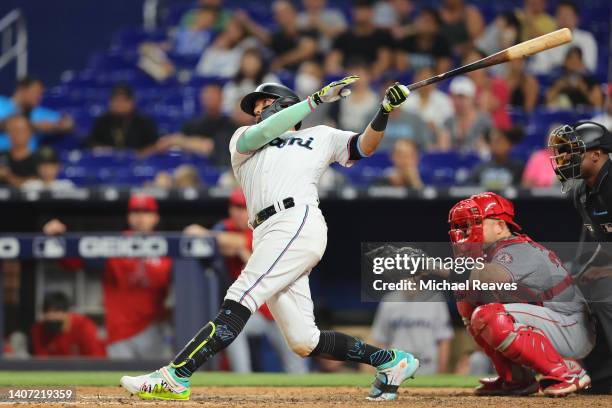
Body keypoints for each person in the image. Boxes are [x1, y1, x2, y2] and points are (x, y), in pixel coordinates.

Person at [121, 75, 420, 401]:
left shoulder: (318, 135)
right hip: (265, 231)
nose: (258, 111)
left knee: (242, 293)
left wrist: (384, 111)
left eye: (264, 104)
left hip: (297, 220)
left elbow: (363, 146)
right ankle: (390, 361)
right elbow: (263, 132)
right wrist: (316, 100)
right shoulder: (243, 139)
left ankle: (177, 374)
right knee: (304, 340)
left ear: (285, 106)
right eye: (256, 107)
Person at [432, 192, 594, 396]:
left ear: (500, 226)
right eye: (463, 226)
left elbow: (492, 277)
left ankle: (567, 373)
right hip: (553, 322)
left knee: (488, 315)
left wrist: (433, 266)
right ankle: (516, 379)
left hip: (572, 327)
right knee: (467, 297)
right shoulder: (492, 252)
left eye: (474, 223)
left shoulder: (517, 248)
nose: (466, 231)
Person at [43, 194, 173, 359]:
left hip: (153, 328)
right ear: (129, 216)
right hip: (119, 331)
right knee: (121, 382)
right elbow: (73, 261)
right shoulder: (113, 244)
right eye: (135, 212)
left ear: (155, 217)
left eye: (146, 212)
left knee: (155, 382)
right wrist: (57, 239)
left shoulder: (168, 248)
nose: (140, 217)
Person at [548, 121, 612, 393]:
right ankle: (601, 378)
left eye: (573, 151)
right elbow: (599, 244)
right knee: (571, 293)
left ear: (596, 155)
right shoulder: (582, 193)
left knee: (605, 291)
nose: (565, 158)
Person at [151, 84, 235, 166]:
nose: (210, 99)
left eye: (213, 96)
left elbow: (211, 147)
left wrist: (184, 141)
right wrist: (197, 144)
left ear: (222, 98)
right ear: (202, 99)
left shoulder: (230, 124)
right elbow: (166, 143)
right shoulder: (192, 125)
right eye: (208, 96)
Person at [370, 292, 453, 374]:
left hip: (428, 367)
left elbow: (444, 339)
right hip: (397, 368)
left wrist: (442, 371)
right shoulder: (389, 300)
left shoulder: (435, 299)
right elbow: (381, 340)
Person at [0, 76, 74, 151]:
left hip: (29, 159)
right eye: (36, 92)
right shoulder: (1, 103)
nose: (39, 97)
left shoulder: (38, 112)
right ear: (22, 90)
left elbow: (68, 124)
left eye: (41, 94)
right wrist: (33, 126)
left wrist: (56, 127)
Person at [325, 0, 394, 79]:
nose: (362, 14)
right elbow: (332, 61)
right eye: (359, 10)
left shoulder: (382, 36)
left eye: (365, 10)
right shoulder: (343, 36)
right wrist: (345, 76)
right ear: (353, 13)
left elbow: (384, 62)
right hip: (346, 77)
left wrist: (365, 76)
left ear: (372, 13)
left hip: (373, 78)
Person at [529, 0, 597, 74]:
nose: (564, 19)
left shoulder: (586, 39)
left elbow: (589, 68)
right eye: (561, 15)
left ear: (576, 18)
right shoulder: (547, 39)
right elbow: (540, 68)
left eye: (568, 15)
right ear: (555, 18)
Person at [31, 292, 106, 357]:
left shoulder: (84, 326)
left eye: (56, 312)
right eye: (47, 312)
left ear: (67, 313)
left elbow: (95, 360)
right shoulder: (39, 329)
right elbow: (41, 363)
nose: (51, 317)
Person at [88, 84, 159, 152]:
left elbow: (155, 146)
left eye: (123, 100)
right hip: (107, 163)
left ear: (132, 102)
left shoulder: (145, 122)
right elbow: (91, 145)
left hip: (140, 163)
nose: (119, 104)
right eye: (115, 100)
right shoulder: (101, 122)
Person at [439, 76, 492, 155]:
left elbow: (491, 148)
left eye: (462, 97)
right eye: (454, 97)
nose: (457, 101)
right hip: (453, 163)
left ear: (472, 98)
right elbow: (443, 150)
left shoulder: (484, 120)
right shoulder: (448, 121)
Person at [222, 48, 280, 115]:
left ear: (260, 63)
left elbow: (277, 103)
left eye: (253, 61)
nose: (250, 65)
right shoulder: (232, 85)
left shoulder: (269, 81)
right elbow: (226, 108)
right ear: (241, 63)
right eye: (247, 62)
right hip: (237, 122)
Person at [395, 8, 452, 74]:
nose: (422, 24)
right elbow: (401, 68)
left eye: (428, 21)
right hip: (408, 79)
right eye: (421, 19)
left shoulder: (442, 43)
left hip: (431, 80)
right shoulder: (407, 40)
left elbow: (442, 72)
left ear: (436, 27)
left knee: (426, 72)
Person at [268, 0, 319, 73]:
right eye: (279, 14)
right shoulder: (277, 36)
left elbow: (308, 50)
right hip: (285, 72)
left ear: (294, 12)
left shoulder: (306, 29)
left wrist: (281, 61)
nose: (283, 16)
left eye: (286, 12)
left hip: (308, 70)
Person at [402, 66, 454, 135]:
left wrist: (436, 126)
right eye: (422, 78)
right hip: (413, 136)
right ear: (416, 79)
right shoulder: (408, 100)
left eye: (428, 79)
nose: (425, 83)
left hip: (436, 136)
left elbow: (449, 122)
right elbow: (404, 122)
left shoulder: (443, 99)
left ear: (435, 81)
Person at [0, 114, 38, 188]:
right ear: (7, 134)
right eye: (13, 130)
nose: (17, 134)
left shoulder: (38, 160)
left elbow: (34, 186)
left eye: (21, 130)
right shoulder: (1, 156)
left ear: (30, 132)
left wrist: (8, 176)